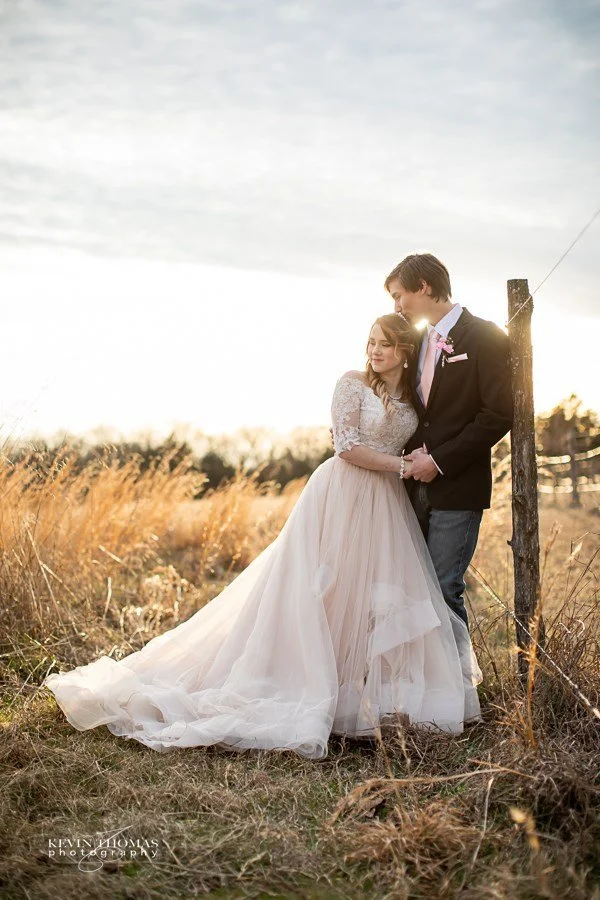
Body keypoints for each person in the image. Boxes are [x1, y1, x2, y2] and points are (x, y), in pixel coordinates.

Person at [42, 314, 482, 761]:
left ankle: (358, 694)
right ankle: (307, 680)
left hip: (386, 504)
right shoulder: (351, 382)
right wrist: (401, 465)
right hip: (341, 491)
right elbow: (345, 445)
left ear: (405, 352)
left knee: (369, 593)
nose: (375, 351)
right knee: (321, 587)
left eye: (385, 344)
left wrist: (410, 464)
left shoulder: (412, 398)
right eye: (371, 342)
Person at [384, 253, 513, 628]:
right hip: (410, 488)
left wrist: (437, 460)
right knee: (409, 589)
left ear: (423, 287)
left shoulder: (484, 335)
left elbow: (498, 414)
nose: (396, 306)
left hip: (458, 487)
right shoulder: (417, 340)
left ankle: (457, 684)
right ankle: (420, 683)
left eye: (399, 295)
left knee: (443, 588)